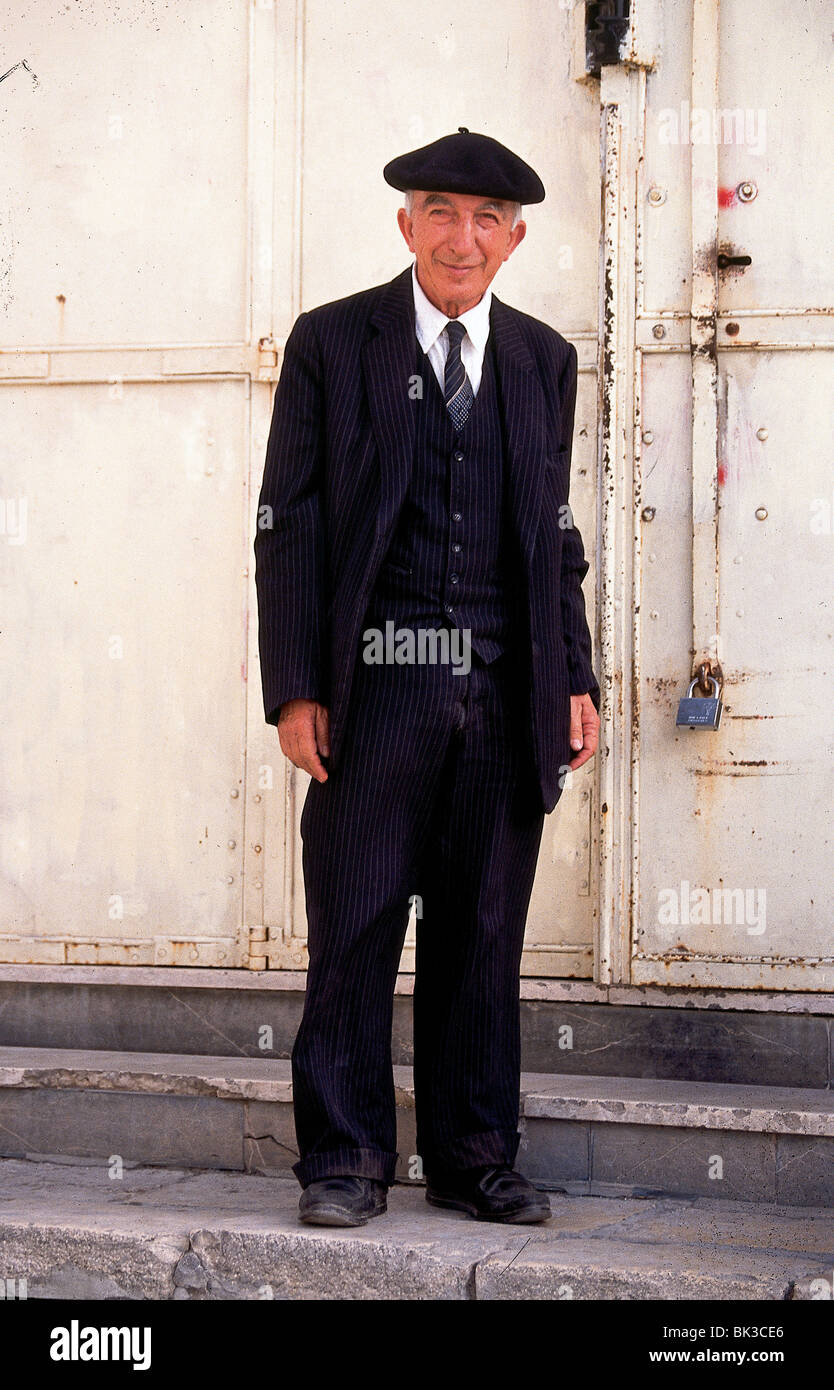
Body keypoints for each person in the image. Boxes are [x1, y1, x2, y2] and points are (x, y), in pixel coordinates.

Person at [254, 128, 600, 1227]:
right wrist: (296, 683)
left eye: (486, 219)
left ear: (515, 239)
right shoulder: (331, 343)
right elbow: (289, 525)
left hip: (504, 691)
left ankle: (473, 1157)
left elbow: (554, 536)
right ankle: (346, 1159)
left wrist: (575, 674)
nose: (463, 237)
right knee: (355, 923)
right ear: (407, 223)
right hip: (376, 684)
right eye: (441, 211)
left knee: (484, 932)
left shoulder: (545, 360)